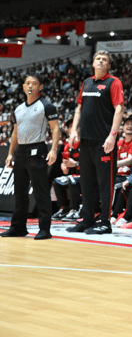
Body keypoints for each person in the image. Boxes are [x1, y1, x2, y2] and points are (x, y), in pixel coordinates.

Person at [67, 51, 124, 235]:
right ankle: (87, 219)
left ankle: (105, 222)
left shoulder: (113, 82)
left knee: (105, 183)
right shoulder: (87, 82)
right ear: (93, 63)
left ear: (108, 66)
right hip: (86, 141)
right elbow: (79, 108)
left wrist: (112, 135)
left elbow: (119, 109)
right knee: (86, 182)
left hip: (103, 141)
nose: (100, 61)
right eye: (98, 59)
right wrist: (74, 130)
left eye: (104, 60)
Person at [1, 74, 59, 240]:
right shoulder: (18, 108)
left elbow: (55, 129)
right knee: (20, 192)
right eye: (28, 83)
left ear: (40, 87)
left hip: (37, 150)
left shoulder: (46, 105)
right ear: (23, 86)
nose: (31, 86)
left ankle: (45, 229)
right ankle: (18, 227)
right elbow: (15, 132)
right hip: (21, 152)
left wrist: (53, 150)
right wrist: (11, 153)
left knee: (41, 192)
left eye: (34, 83)